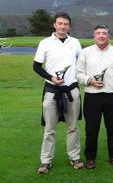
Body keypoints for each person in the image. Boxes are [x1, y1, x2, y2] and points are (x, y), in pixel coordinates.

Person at [33, 12, 83, 174]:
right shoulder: (45, 43)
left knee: (73, 127)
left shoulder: (75, 43)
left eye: (66, 24)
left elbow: (81, 65)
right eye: (60, 23)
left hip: (71, 90)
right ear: (54, 25)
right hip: (51, 90)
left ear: (69, 26)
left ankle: (74, 157)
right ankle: (46, 161)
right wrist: (51, 78)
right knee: (49, 128)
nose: (62, 26)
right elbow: (37, 66)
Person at [76, 24, 113, 169]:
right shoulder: (85, 52)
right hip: (92, 96)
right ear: (94, 36)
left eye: (104, 33)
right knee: (91, 129)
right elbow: (78, 74)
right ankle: (90, 158)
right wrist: (89, 80)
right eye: (98, 33)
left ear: (108, 36)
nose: (101, 35)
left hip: (112, 96)